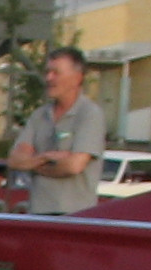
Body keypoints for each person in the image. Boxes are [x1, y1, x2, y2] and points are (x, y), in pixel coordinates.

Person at [8, 45, 109, 215]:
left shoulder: (90, 115)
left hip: (75, 216)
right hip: (38, 213)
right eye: (47, 72)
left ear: (77, 78)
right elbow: (15, 161)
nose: (48, 78)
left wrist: (33, 164)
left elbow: (73, 166)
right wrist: (46, 157)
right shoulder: (39, 116)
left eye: (56, 73)